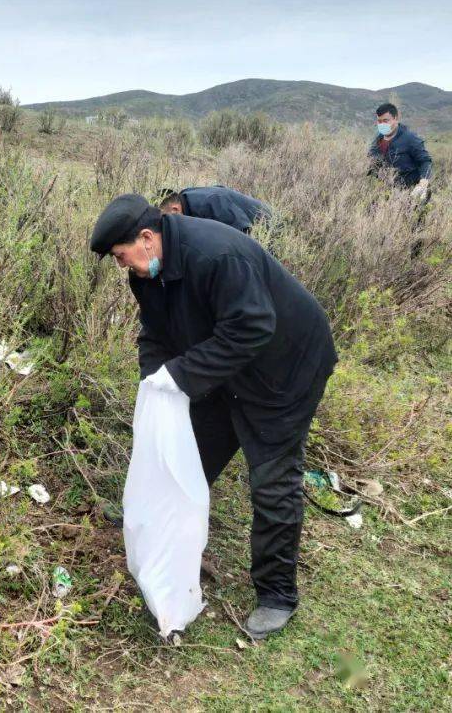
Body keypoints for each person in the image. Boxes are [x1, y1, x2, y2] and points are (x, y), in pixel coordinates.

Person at [89, 194, 337, 640]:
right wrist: (155, 380)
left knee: (272, 480)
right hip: (228, 371)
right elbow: (156, 332)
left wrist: (182, 375)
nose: (124, 268)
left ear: (147, 239)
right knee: (192, 453)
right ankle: (152, 524)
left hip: (286, 372)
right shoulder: (149, 273)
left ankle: (277, 595)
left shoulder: (218, 255)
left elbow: (252, 327)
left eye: (123, 257)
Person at [368, 103, 432, 200]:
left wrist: (423, 182)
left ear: (396, 119)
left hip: (409, 193)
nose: (382, 125)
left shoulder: (410, 139)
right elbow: (372, 160)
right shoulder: (378, 139)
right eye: (379, 121)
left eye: (386, 121)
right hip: (385, 191)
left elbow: (425, 161)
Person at [157, 186, 273, 234]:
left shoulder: (211, 203)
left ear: (175, 209)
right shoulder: (184, 198)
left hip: (270, 227)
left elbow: (244, 230)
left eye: (166, 219)